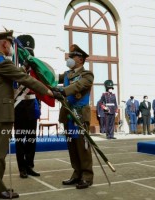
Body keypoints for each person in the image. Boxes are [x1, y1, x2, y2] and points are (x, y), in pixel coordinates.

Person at [0, 30, 60, 199]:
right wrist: (50, 92)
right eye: (10, 44)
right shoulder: (2, 62)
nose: (11, 47)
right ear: (5, 44)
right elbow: (27, 80)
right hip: (1, 113)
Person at [53, 44, 94, 189]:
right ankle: (77, 174)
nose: (69, 58)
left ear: (81, 59)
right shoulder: (67, 74)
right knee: (72, 146)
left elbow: (77, 87)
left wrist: (62, 91)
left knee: (82, 146)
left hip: (80, 116)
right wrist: (36, 66)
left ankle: (87, 176)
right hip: (68, 115)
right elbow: (51, 77)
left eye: (72, 56)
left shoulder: (87, 75)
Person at [14, 34, 41, 179]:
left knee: (31, 138)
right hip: (19, 106)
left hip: (32, 105)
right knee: (20, 139)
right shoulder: (15, 65)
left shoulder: (35, 67)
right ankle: (21, 167)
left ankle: (29, 165)